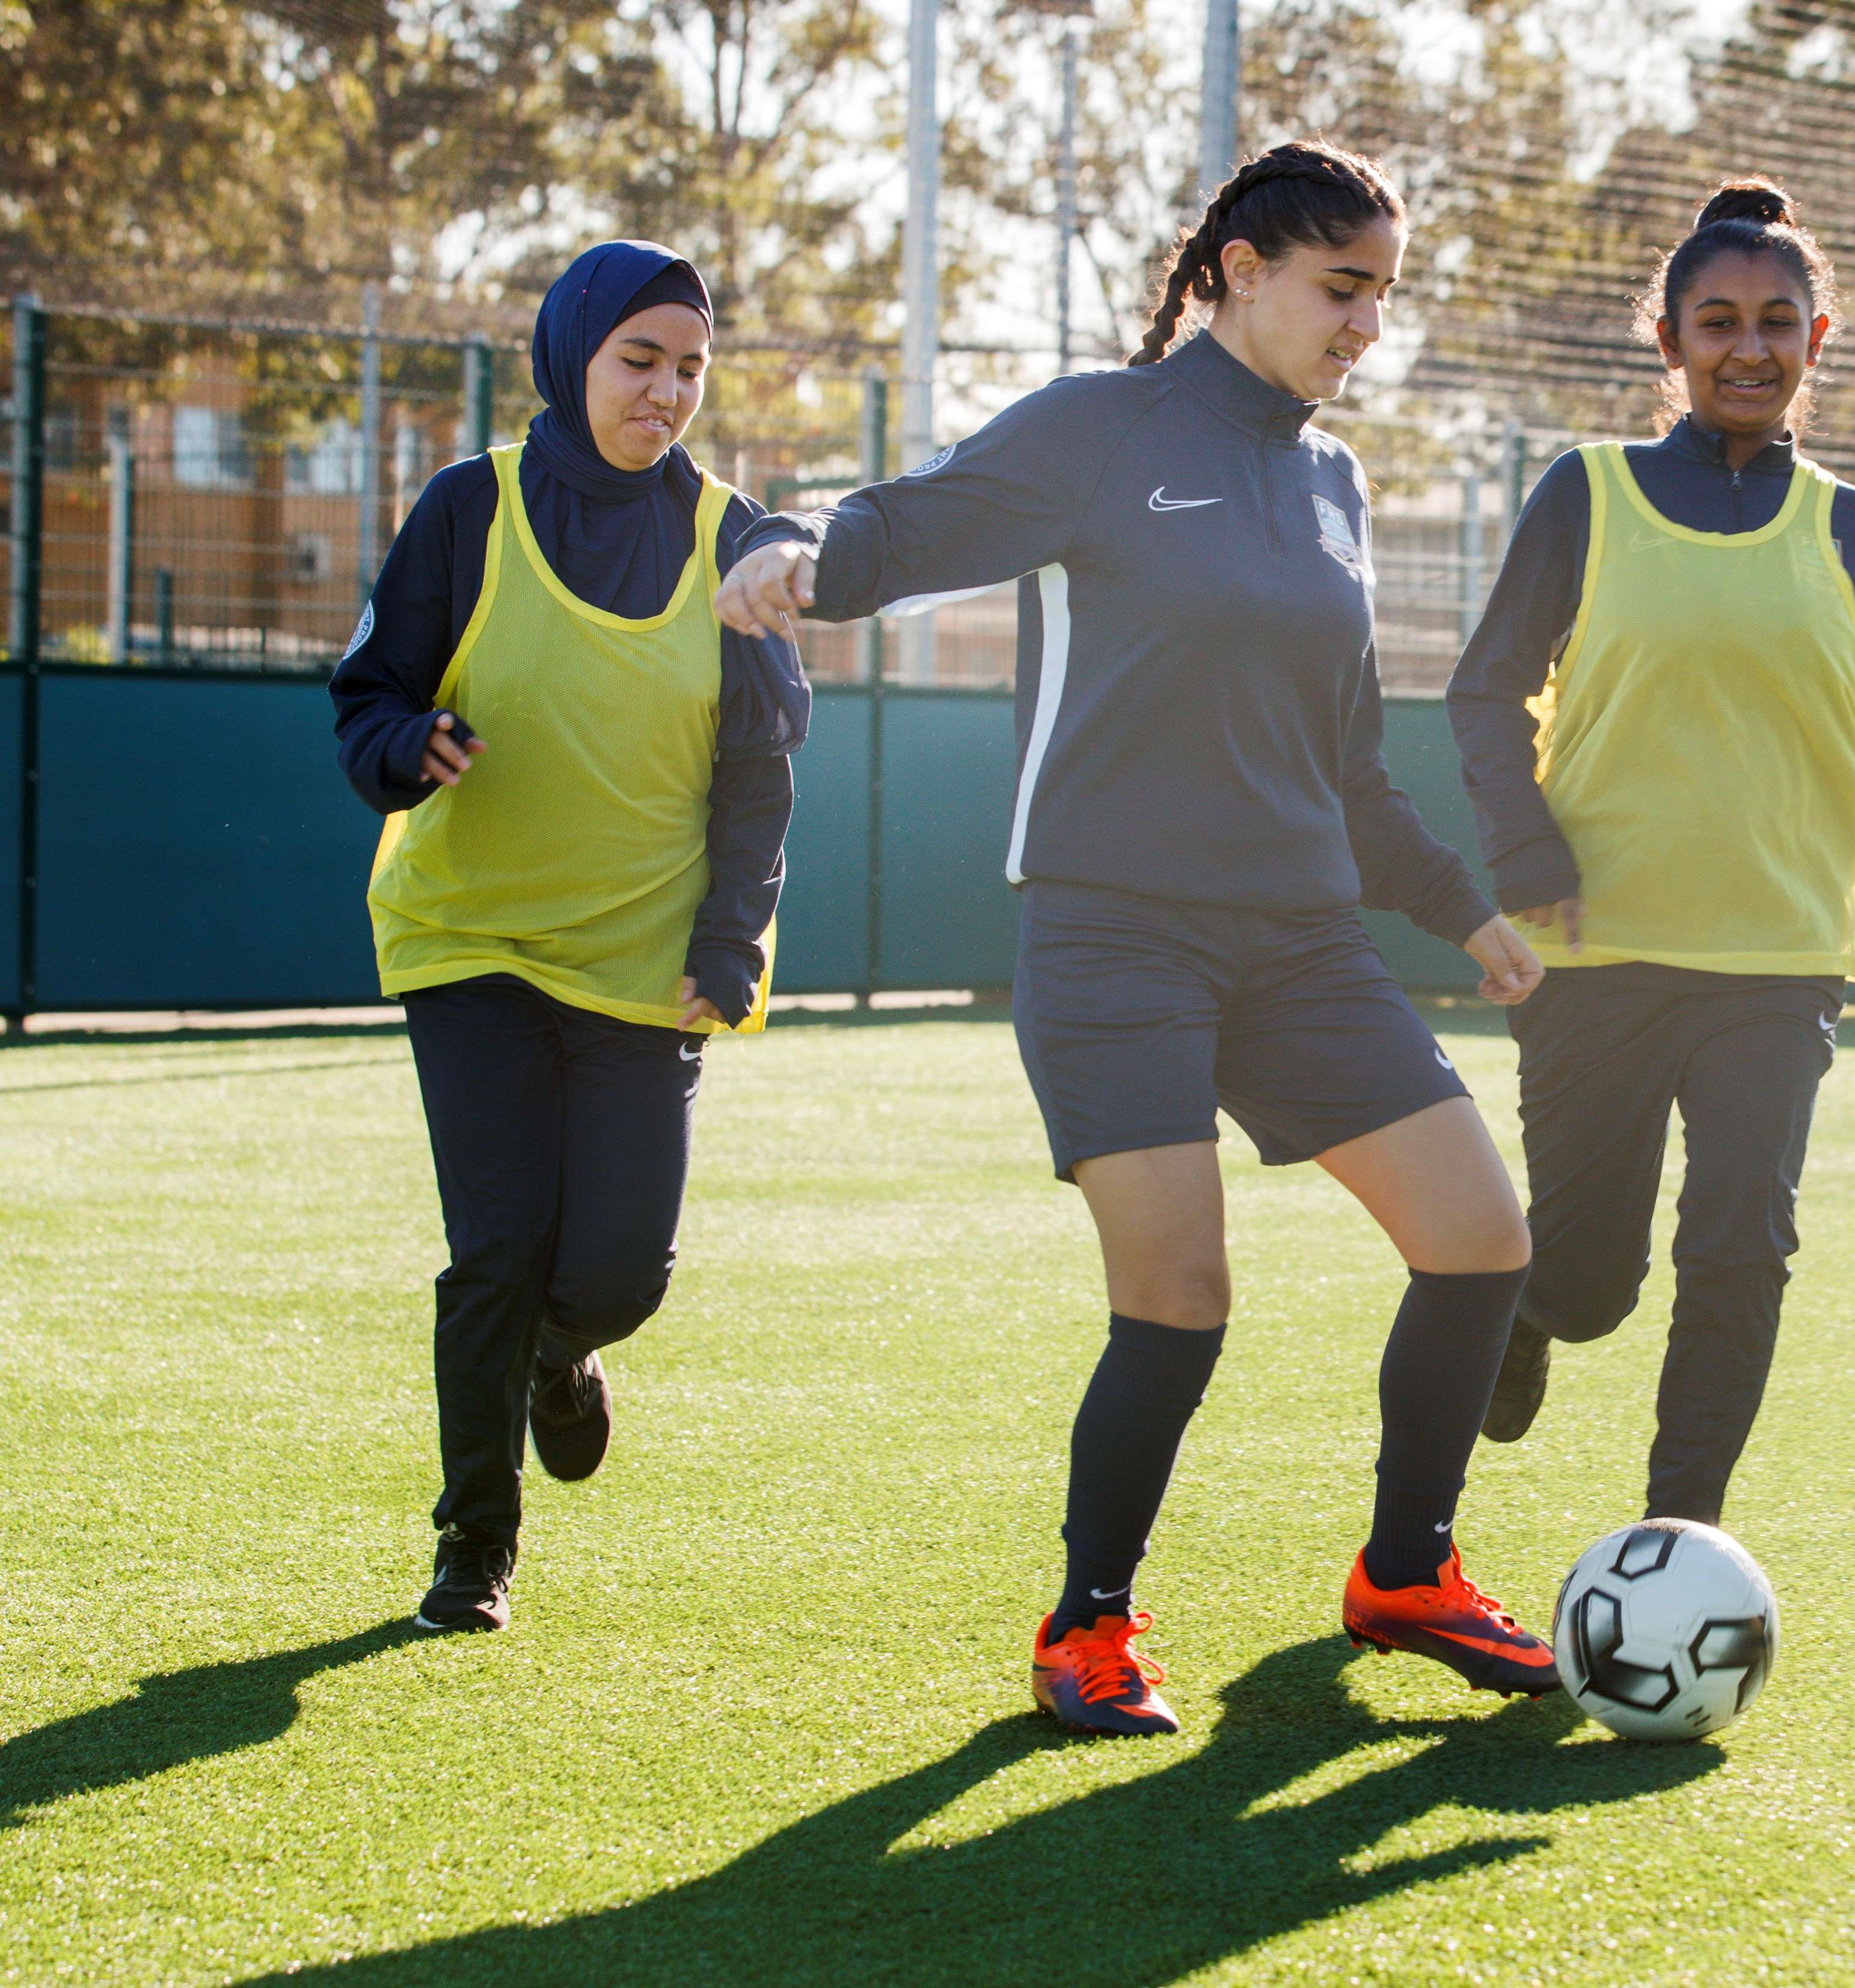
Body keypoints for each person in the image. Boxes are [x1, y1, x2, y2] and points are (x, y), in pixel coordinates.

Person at [715, 141, 1558, 1738]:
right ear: (1240, 271)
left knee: (1482, 1241)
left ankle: (1406, 1573)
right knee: (1179, 1294)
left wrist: (1461, 910)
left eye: (1383, 291)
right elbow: (919, 519)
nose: (1367, 323)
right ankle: (1088, 1622)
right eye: (1342, 287)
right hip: (1118, 939)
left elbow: (1351, 762)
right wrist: (803, 549)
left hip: (1303, 942)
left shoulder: (1334, 482)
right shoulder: (1105, 428)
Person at [1445, 178, 1855, 1529]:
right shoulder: (1588, 495)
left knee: (1740, 1249)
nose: (1748, 348)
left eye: (1776, 322)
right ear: (1669, 339)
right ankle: (1529, 1310)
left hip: (1779, 952)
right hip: (1598, 949)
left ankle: (1675, 1539)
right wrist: (1522, 849)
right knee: (1589, 1279)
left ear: (1817, 338)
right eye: (1717, 321)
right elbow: (1483, 687)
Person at [329, 241, 808, 1635]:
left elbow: (761, 770)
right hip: (467, 942)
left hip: (643, 964)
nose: (665, 394)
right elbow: (368, 692)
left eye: (690, 370)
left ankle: (558, 1354)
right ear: (571, 358)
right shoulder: (467, 509)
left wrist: (732, 947)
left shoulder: (734, 536)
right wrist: (407, 744)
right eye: (638, 362)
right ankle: (472, 1545)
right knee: (494, 1245)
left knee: (615, 1272)